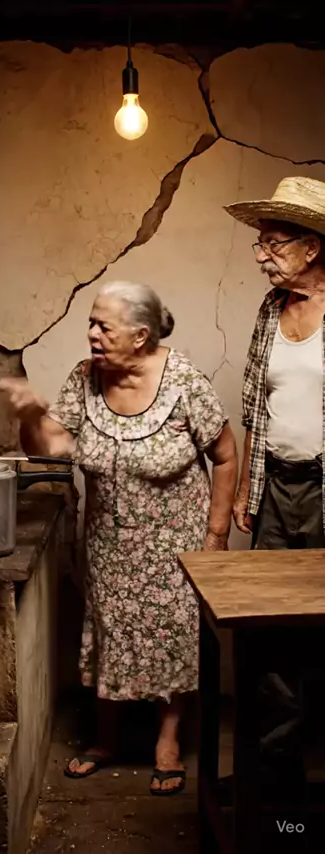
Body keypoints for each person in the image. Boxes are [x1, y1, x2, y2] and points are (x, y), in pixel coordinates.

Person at [0, 280, 237, 795]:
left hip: (175, 545)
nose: (92, 334)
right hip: (109, 540)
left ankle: (168, 743)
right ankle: (106, 738)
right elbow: (50, 447)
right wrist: (32, 415)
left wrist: (216, 536)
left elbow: (224, 455)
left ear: (140, 336)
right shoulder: (84, 377)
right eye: (91, 322)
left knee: (172, 636)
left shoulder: (184, 381)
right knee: (110, 632)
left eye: (104, 326)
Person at [224, 176, 325, 795]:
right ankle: (276, 778)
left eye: (273, 243)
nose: (261, 255)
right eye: (259, 242)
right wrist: (246, 490)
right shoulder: (270, 309)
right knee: (270, 630)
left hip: (323, 491)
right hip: (276, 490)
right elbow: (255, 407)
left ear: (311, 247)